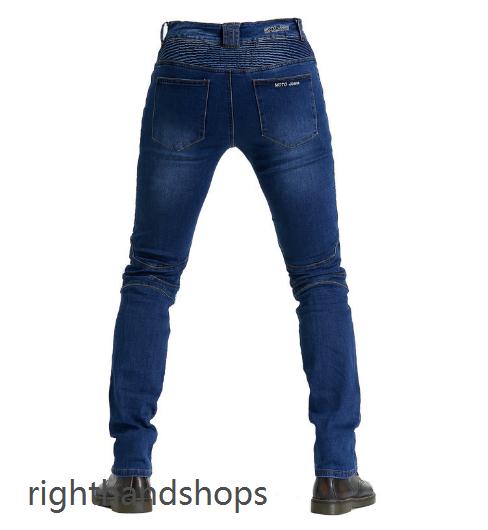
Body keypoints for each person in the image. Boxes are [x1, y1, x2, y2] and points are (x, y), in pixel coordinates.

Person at [93, 18, 375, 515]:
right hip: (281, 66)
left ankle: (130, 474)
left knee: (151, 275)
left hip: (185, 64)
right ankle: (336, 474)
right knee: (319, 277)